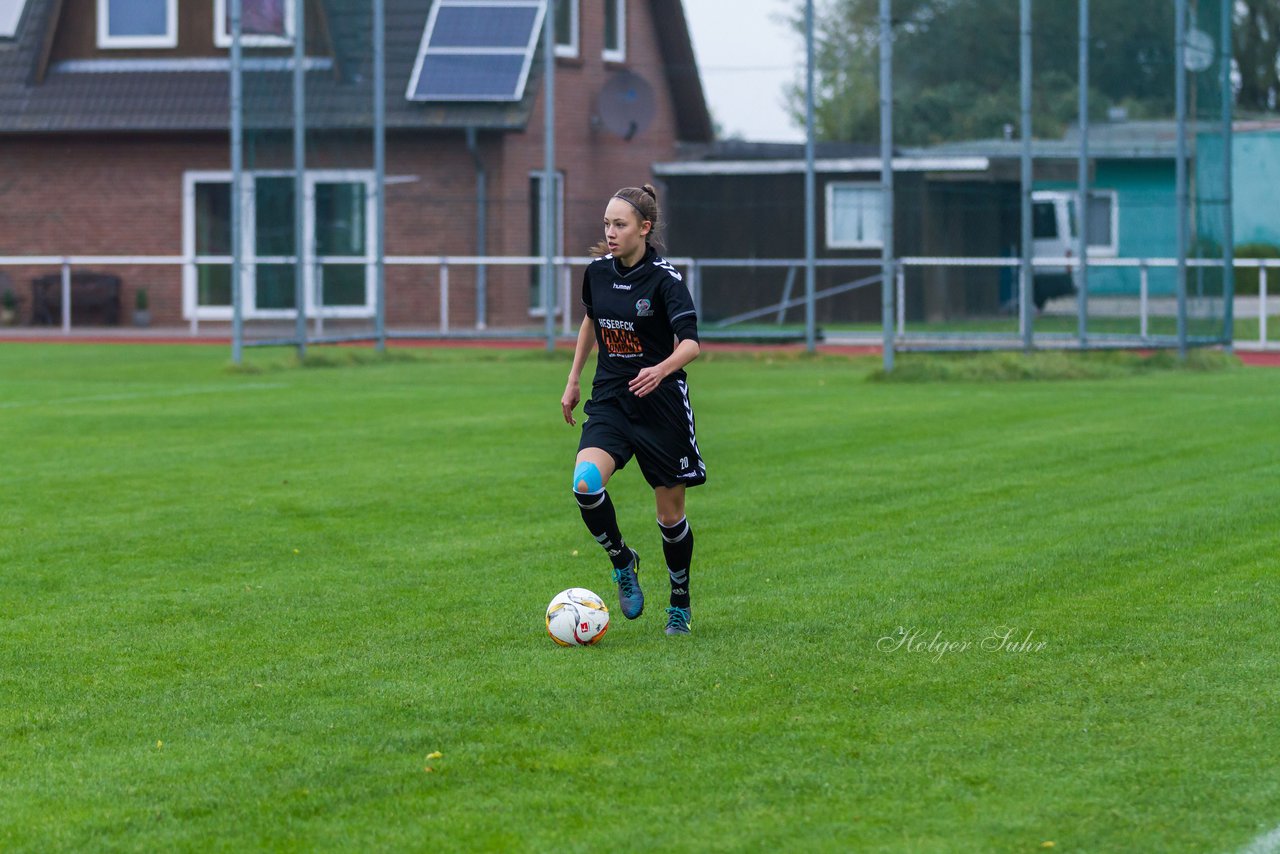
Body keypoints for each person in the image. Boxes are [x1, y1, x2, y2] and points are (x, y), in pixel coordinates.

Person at [561, 184, 705, 636]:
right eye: (606, 223)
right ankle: (623, 560)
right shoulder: (597, 273)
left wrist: (661, 369)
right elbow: (591, 319)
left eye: (619, 224)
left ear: (644, 228)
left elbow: (692, 346)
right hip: (611, 401)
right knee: (585, 485)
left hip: (660, 407)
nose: (610, 232)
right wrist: (573, 377)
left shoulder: (666, 280)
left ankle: (678, 603)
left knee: (670, 516)